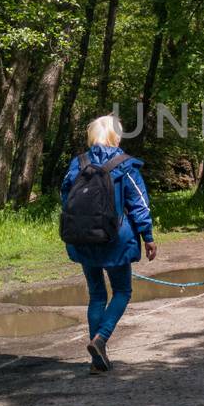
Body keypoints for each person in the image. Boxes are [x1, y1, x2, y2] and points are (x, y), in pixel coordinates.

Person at [60, 115, 157, 373]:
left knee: (97, 295)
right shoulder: (125, 165)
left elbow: (65, 199)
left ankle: (97, 362)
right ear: (117, 136)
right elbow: (139, 204)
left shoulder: (77, 163)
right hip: (116, 239)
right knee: (122, 291)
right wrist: (148, 236)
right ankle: (101, 338)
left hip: (83, 239)